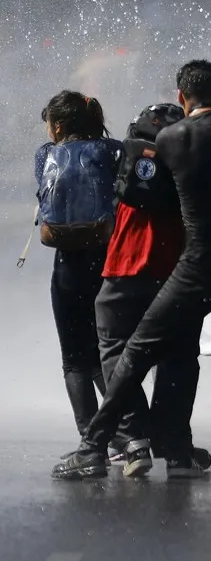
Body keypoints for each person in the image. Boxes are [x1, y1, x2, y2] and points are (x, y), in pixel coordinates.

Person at [52, 60, 211, 487]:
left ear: (180, 96)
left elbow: (142, 185)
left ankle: (94, 448)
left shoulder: (171, 139)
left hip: (199, 266)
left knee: (134, 354)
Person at [94, 103, 211, 478]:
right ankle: (176, 452)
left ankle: (134, 443)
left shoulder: (125, 158)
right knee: (178, 358)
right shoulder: (195, 160)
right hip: (178, 275)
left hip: (124, 271)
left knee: (116, 352)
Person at [34, 92, 120, 450]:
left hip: (67, 264)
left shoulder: (45, 155)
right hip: (109, 264)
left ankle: (92, 442)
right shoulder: (114, 151)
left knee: (75, 359)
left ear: (58, 125)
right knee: (108, 352)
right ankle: (131, 437)